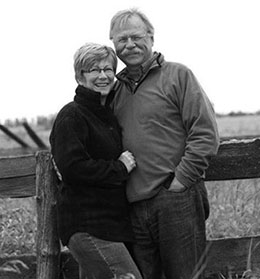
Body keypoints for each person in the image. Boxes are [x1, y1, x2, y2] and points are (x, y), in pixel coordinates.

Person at [108, 8, 220, 279]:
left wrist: (180, 181)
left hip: (175, 197)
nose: (129, 44)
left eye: (136, 36)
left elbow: (205, 133)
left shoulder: (178, 75)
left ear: (151, 36)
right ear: (113, 44)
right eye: (121, 40)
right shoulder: (114, 90)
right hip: (133, 205)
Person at [49, 43, 142, 279]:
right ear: (80, 76)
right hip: (88, 225)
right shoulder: (72, 115)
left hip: (111, 225)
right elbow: (72, 168)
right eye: (94, 70)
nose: (103, 76)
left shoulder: (106, 114)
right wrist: (119, 168)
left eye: (108, 69)